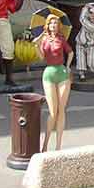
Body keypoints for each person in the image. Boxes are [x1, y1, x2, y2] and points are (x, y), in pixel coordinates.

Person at [35, 14, 73, 151]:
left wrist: (68, 66)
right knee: (53, 111)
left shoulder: (61, 39)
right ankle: (45, 144)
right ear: (47, 26)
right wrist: (37, 43)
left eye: (56, 24)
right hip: (49, 73)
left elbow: (70, 52)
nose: (54, 26)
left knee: (61, 110)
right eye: (51, 24)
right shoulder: (44, 39)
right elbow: (41, 57)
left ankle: (58, 145)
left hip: (62, 73)